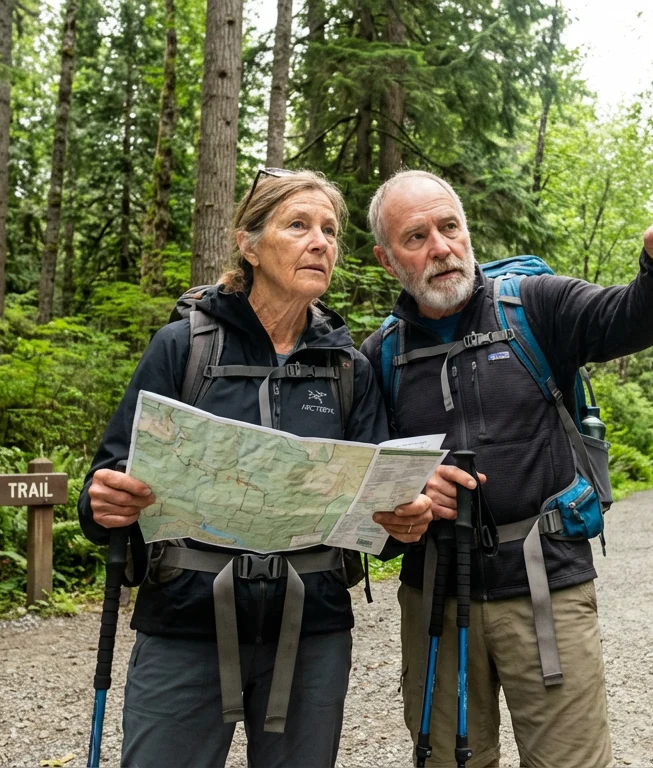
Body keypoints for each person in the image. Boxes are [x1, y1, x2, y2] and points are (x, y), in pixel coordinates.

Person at [360, 169, 653, 767]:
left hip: (545, 583)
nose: (441, 248)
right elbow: (364, 479)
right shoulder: (381, 357)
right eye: (416, 236)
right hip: (435, 596)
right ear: (386, 258)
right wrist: (409, 490)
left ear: (467, 230)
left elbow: (626, 316)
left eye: (449, 227)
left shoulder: (533, 304)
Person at [78, 169, 434, 768]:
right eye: (298, 226)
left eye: (329, 230)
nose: (320, 242)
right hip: (186, 618)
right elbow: (107, 484)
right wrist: (102, 502)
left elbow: (377, 517)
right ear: (249, 244)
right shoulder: (183, 348)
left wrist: (403, 521)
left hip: (312, 626)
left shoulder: (350, 370)